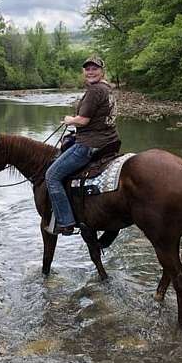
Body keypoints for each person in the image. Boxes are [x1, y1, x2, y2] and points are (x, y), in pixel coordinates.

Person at [45, 56, 118, 235]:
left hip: (90, 144)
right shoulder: (107, 89)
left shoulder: (94, 91)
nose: (90, 72)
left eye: (95, 69)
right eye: (87, 69)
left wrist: (70, 120)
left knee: (52, 176)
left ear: (102, 71)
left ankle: (66, 221)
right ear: (83, 71)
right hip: (110, 140)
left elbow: (83, 121)